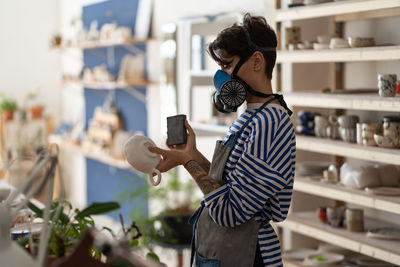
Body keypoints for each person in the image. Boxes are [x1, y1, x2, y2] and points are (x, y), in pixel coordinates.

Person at [149, 13, 296, 267]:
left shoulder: (270, 123)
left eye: (227, 65)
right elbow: (227, 186)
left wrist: (186, 163)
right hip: (227, 250)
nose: (222, 77)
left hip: (249, 255)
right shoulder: (249, 116)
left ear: (257, 61)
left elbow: (230, 211)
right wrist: (192, 153)